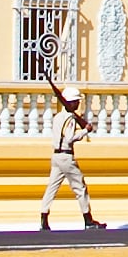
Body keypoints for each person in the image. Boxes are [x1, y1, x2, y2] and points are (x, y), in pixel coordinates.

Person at [39, 68, 102, 231]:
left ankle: (43, 218)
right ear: (72, 102)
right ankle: (88, 220)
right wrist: (84, 131)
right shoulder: (70, 119)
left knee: (51, 187)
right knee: (80, 187)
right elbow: (69, 138)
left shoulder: (58, 117)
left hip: (56, 156)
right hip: (66, 157)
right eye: (77, 102)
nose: (78, 104)